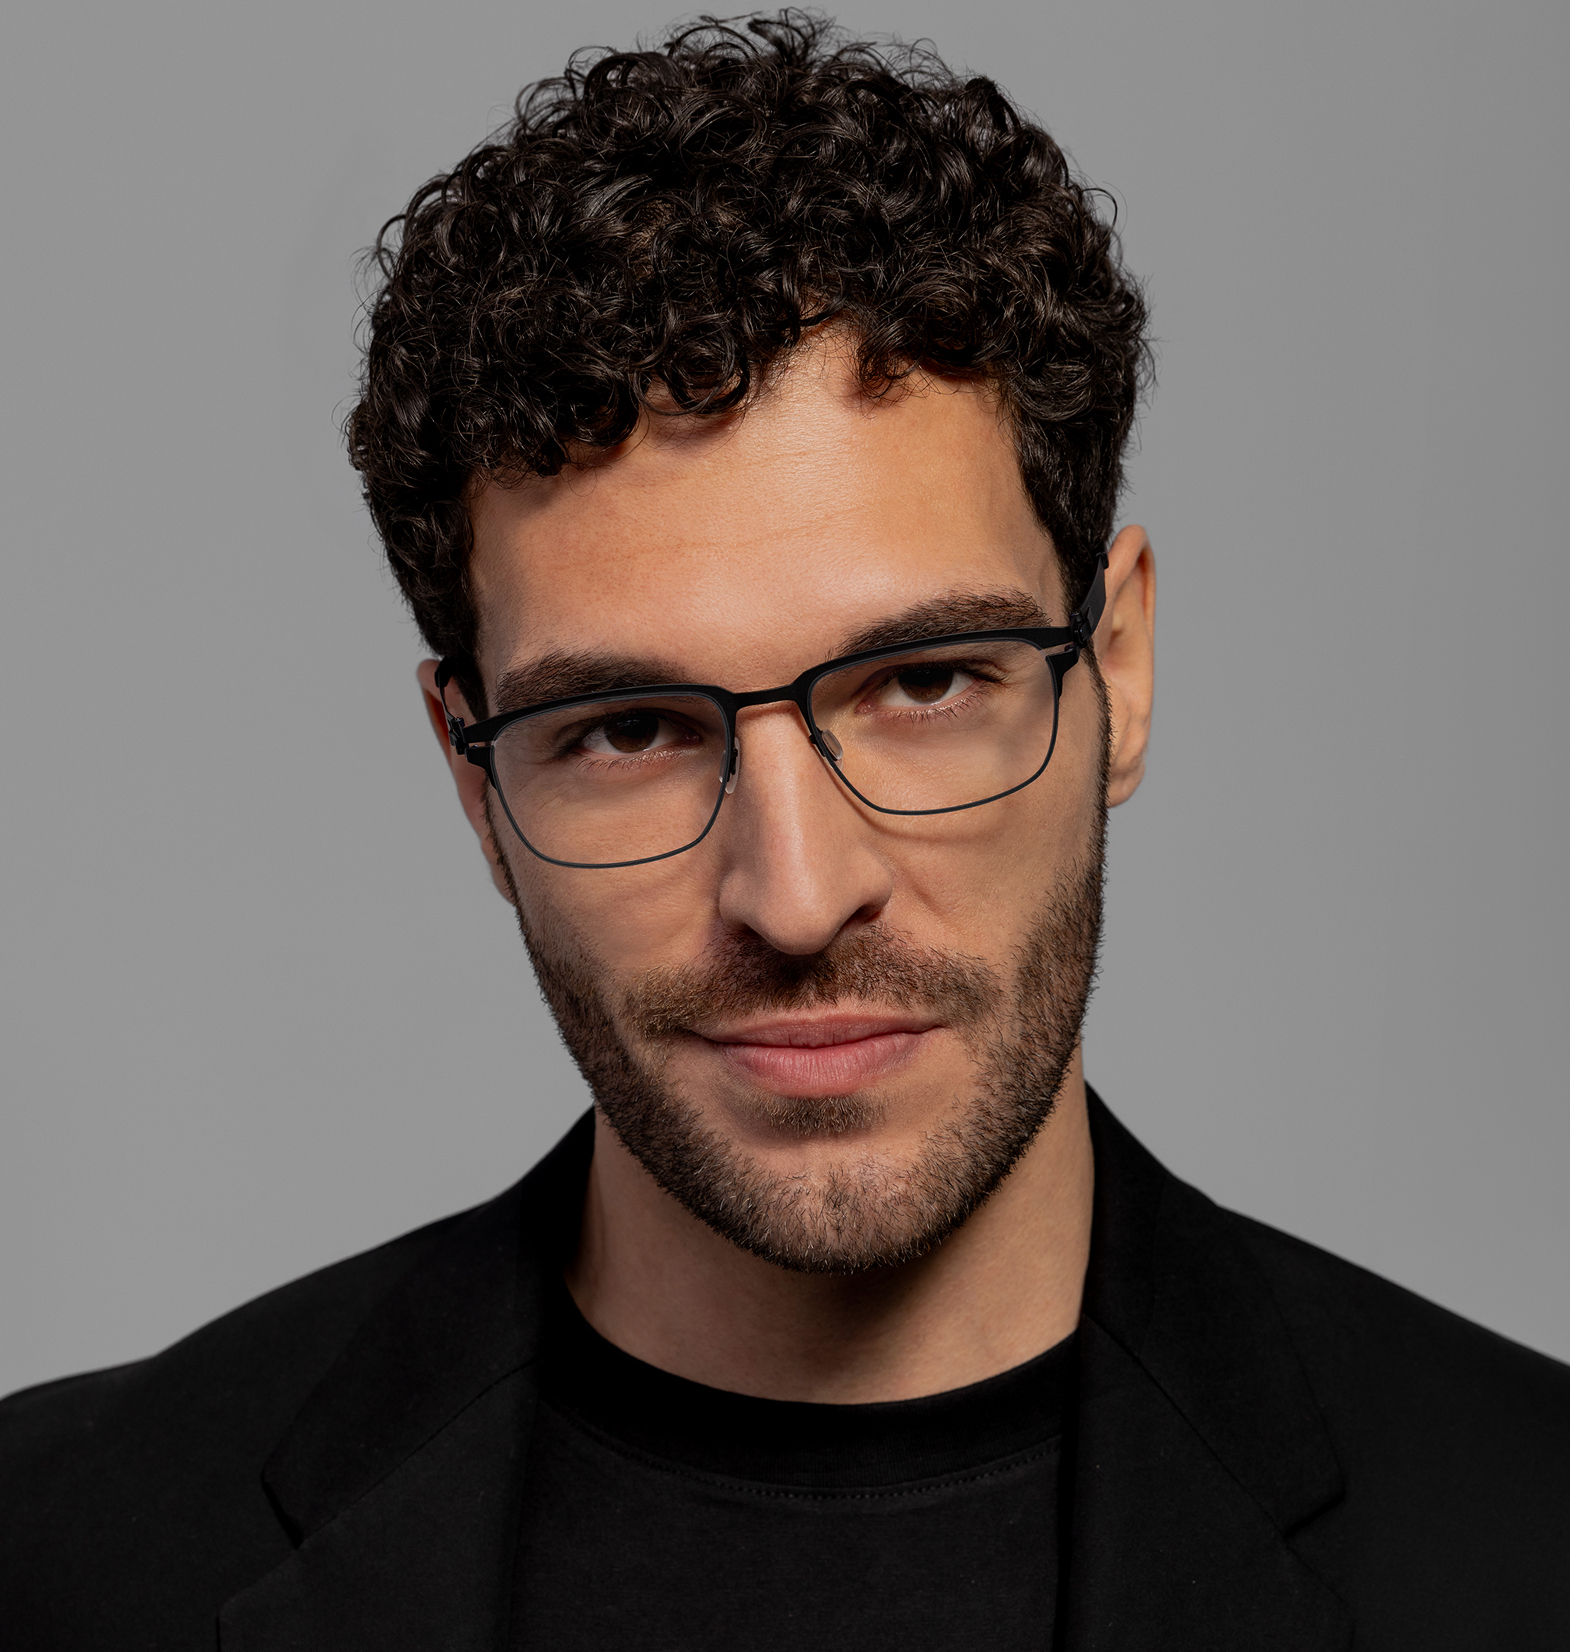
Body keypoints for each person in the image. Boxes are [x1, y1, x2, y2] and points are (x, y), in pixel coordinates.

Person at [2, 14, 1566, 1649]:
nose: (798, 895)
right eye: (627, 729)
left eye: (923, 682)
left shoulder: (1527, 1539)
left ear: (1116, 672)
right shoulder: (61, 1557)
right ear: (475, 786)